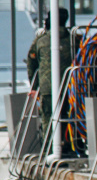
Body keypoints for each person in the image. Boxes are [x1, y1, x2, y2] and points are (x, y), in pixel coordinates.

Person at [26, 8, 73, 141]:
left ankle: (49, 149)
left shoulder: (40, 41)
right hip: (71, 89)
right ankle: (68, 147)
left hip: (47, 88)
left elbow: (31, 64)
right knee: (70, 118)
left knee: (48, 119)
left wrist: (34, 87)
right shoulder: (75, 40)